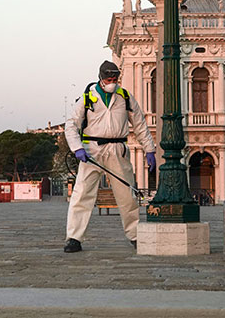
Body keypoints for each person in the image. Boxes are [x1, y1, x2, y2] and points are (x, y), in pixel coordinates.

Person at [63, 60, 157, 253]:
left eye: (115, 78)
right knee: (82, 194)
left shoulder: (125, 97)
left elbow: (140, 125)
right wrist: (77, 148)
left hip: (118, 149)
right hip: (91, 151)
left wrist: (149, 149)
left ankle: (135, 235)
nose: (112, 82)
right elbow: (71, 124)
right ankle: (74, 237)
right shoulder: (87, 98)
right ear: (101, 78)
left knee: (127, 195)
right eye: (109, 79)